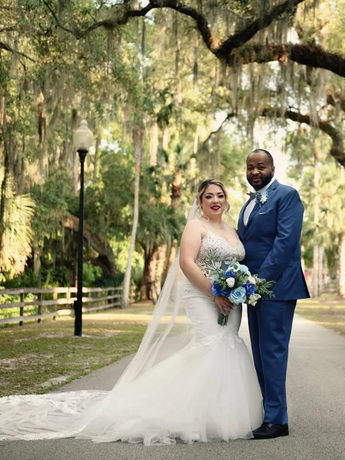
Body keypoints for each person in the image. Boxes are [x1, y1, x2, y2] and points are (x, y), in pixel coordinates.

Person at [0, 179, 263, 445]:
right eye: (209, 196)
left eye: (220, 195)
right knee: (212, 344)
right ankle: (170, 410)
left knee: (227, 345)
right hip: (202, 294)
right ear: (200, 201)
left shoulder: (232, 230)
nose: (215, 200)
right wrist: (214, 292)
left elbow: (238, 263)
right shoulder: (196, 226)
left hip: (231, 299)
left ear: (226, 200)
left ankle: (217, 413)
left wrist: (236, 288)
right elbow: (186, 262)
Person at [238, 149, 310, 440]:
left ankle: (278, 420)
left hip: (275, 289)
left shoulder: (287, 196)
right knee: (260, 354)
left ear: (272, 168)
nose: (255, 171)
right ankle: (269, 413)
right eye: (250, 167)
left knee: (273, 354)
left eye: (261, 167)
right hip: (253, 291)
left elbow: (284, 244)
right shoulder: (250, 202)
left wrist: (258, 282)